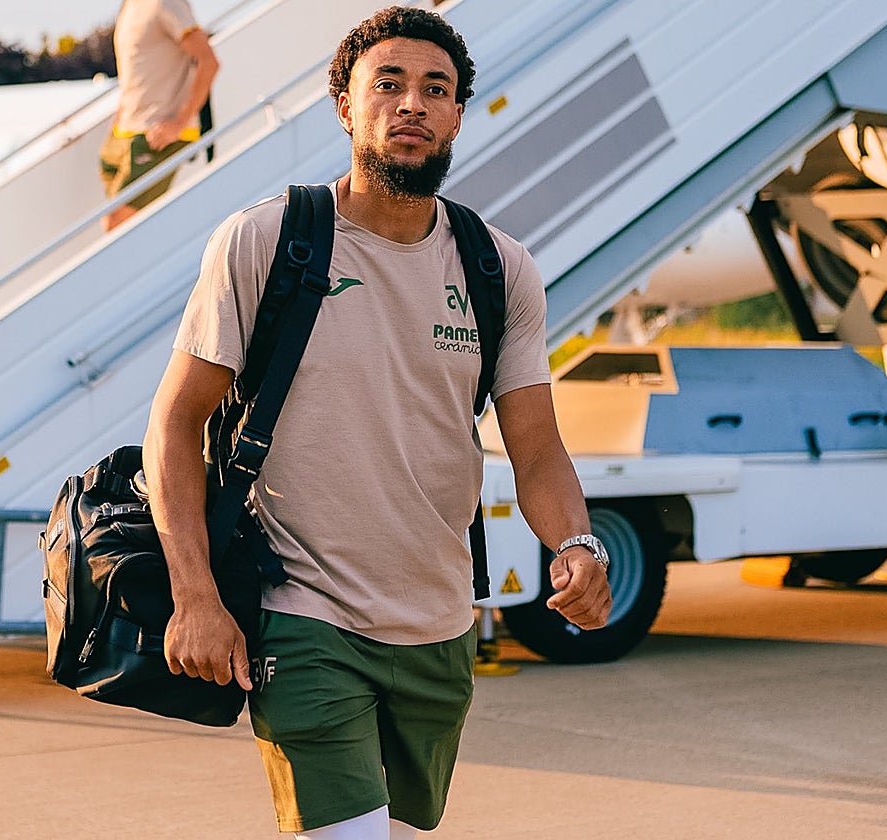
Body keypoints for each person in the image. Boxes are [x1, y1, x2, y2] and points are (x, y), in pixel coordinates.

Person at [143, 7, 611, 839]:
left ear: (459, 115)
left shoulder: (498, 266)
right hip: (304, 611)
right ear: (345, 106)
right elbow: (175, 425)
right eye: (386, 84)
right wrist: (195, 595)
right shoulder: (265, 242)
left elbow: (536, 446)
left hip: (439, 624)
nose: (411, 105)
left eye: (436, 89)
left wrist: (577, 543)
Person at [100, 0, 219, 231]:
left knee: (116, 222)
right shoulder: (129, 7)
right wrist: (118, 119)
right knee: (129, 227)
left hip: (155, 135)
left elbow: (209, 62)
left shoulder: (167, 3)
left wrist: (180, 123)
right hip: (123, 130)